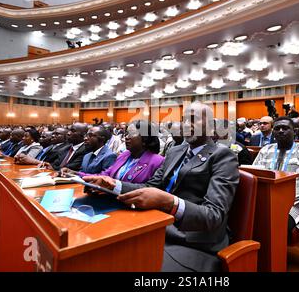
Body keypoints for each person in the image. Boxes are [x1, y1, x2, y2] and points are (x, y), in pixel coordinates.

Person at [83, 103, 240, 272]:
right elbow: (150, 186)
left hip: (192, 241)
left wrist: (169, 202)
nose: (186, 125)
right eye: (184, 120)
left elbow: (213, 215)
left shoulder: (223, 156)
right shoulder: (175, 151)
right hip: (156, 225)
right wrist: (114, 185)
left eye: (193, 120)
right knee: (102, 251)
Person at [253, 117, 299, 233]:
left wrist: (287, 198)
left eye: (285, 128)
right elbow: (254, 176)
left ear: (295, 131)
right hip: (264, 200)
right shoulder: (265, 150)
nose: (280, 131)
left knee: (274, 224)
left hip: (292, 204)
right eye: (277, 128)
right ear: (273, 132)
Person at [80, 120, 163, 183]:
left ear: (145, 138)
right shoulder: (124, 155)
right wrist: (76, 175)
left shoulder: (157, 161)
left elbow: (149, 188)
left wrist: (115, 186)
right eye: (126, 133)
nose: (126, 137)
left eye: (132, 133)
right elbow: (106, 174)